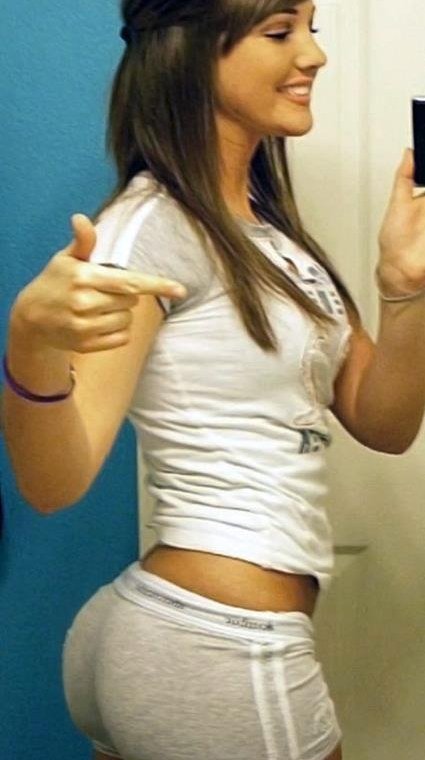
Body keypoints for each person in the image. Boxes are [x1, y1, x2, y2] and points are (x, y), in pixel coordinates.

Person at [3, 0, 425, 758]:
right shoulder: (151, 228)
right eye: (279, 31)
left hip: (195, 633)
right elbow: (53, 482)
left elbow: (383, 421)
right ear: (190, 52)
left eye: (313, 29)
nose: (313, 55)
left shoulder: (268, 235)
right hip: (213, 641)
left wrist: (404, 288)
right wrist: (30, 347)